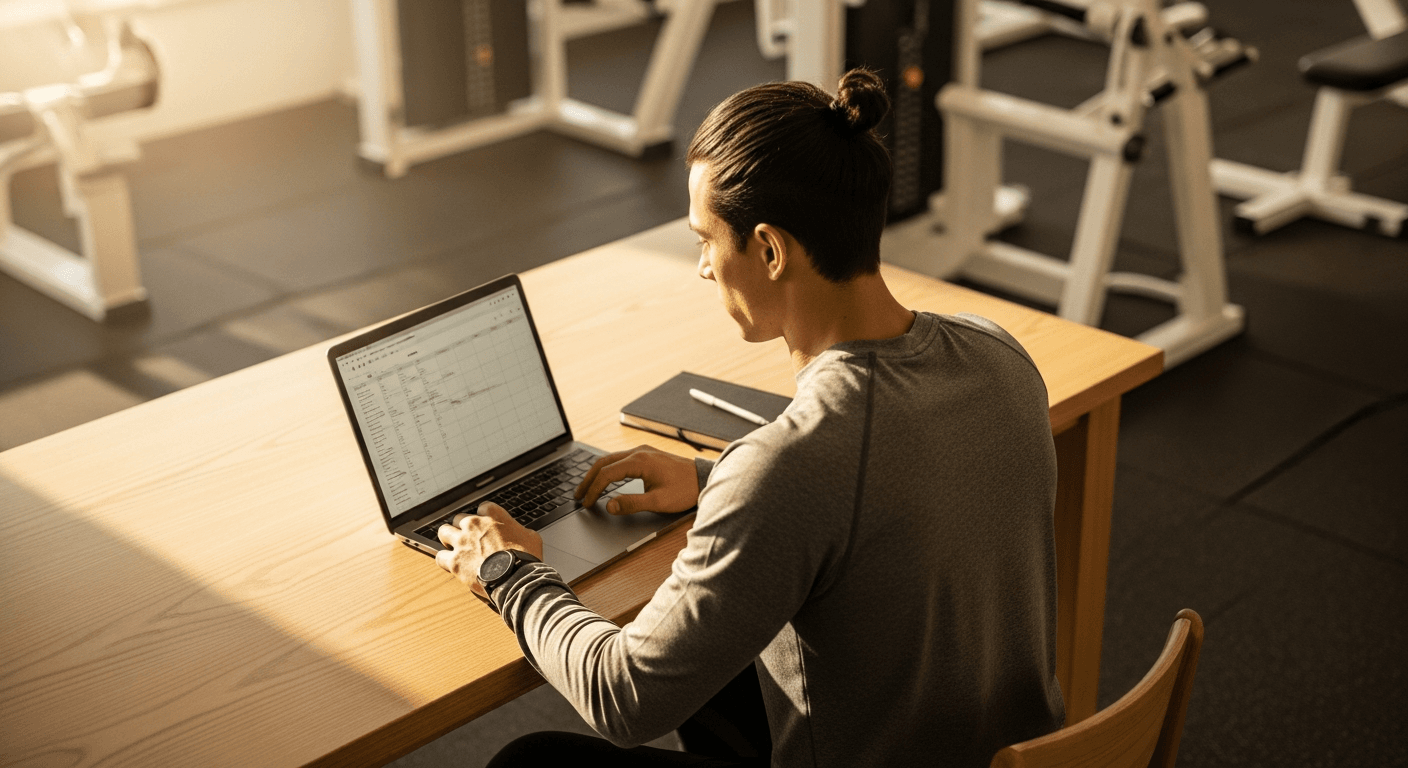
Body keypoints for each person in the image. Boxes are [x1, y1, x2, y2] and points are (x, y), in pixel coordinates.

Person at [435, 68, 1065, 767]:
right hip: (1006, 754)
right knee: (717, 651)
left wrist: (508, 571)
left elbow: (624, 700)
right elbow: (898, 484)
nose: (704, 267)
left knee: (533, 763)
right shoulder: (999, 353)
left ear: (768, 250)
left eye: (706, 239)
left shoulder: (794, 462)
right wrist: (712, 478)